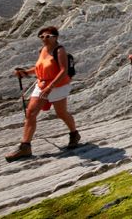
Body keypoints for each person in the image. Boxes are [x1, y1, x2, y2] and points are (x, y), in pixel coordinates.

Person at [5, 26, 80, 161]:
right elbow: (40, 67)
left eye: (48, 36)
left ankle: (74, 134)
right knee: (31, 113)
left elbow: (63, 71)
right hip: (42, 85)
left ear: (55, 37)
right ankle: (25, 146)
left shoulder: (60, 50)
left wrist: (51, 86)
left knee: (61, 113)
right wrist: (26, 72)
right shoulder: (43, 50)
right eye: (42, 37)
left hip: (57, 86)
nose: (44, 39)